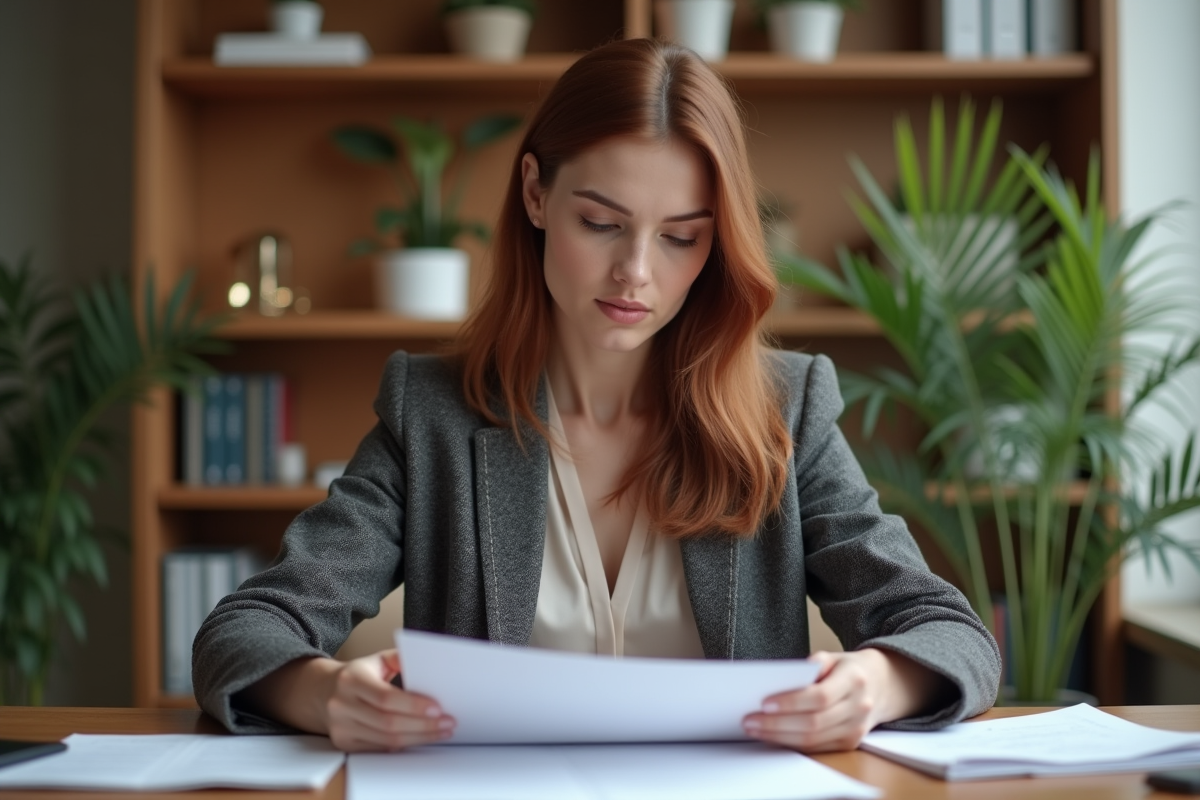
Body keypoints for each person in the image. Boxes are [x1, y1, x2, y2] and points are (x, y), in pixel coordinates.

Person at [193, 37, 1000, 754]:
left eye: (681, 236)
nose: (636, 273)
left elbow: (952, 635)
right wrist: (327, 694)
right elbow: (244, 631)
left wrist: (877, 685)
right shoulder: (432, 412)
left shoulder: (784, 410)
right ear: (537, 195)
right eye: (602, 223)